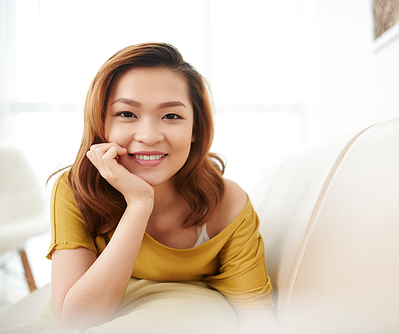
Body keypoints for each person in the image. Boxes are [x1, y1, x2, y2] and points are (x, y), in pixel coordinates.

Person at [47, 43, 275, 332]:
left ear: (196, 130)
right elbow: (77, 320)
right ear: (100, 124)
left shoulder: (226, 203)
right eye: (127, 114)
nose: (149, 136)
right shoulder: (76, 191)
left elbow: (256, 313)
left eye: (171, 116)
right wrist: (140, 204)